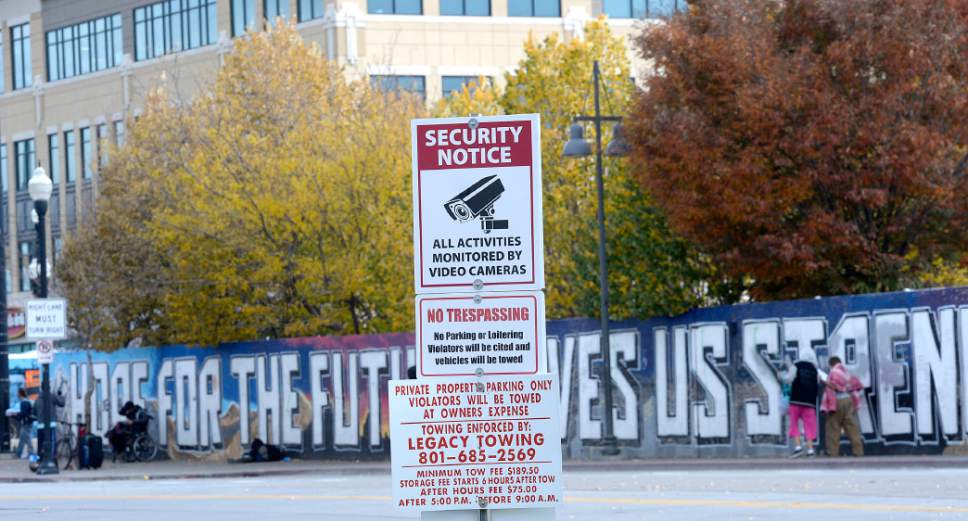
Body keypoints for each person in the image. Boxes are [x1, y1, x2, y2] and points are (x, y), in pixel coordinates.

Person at [780, 347, 826, 457]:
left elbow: (789, 379)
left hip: (796, 400)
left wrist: (781, 376)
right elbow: (818, 384)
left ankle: (798, 447)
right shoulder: (815, 370)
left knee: (794, 423)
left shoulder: (795, 366)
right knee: (809, 426)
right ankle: (810, 450)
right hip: (809, 402)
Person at [822, 356, 864, 457]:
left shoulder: (833, 372)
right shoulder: (847, 372)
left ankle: (833, 453)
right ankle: (858, 452)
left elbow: (835, 386)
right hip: (848, 401)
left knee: (833, 427)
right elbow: (857, 385)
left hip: (837, 401)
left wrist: (825, 382)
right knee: (852, 428)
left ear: (831, 364)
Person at [14, 389, 34, 459]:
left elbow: (24, 413)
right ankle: (18, 453)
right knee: (22, 439)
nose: (17, 395)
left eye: (18, 393)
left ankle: (32, 454)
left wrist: (16, 415)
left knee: (27, 439)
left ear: (20, 394)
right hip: (27, 422)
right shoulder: (26, 401)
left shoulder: (24, 402)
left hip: (26, 423)